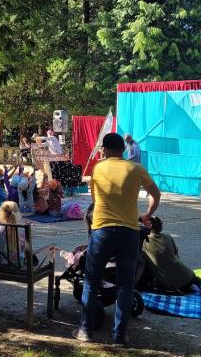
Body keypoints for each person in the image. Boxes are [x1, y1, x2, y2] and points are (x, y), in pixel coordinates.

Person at [75, 132, 161, 345]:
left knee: (91, 282)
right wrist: (147, 214)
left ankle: (85, 331)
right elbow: (156, 194)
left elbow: (95, 200)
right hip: (129, 232)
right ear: (123, 149)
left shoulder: (98, 168)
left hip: (102, 231)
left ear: (104, 150)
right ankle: (119, 336)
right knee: (125, 285)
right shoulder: (136, 168)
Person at [141, 216, 201, 296]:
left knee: (159, 283)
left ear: (147, 226)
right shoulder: (168, 237)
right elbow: (177, 256)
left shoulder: (143, 241)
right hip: (187, 275)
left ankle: (190, 288)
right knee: (194, 278)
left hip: (170, 284)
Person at [0, 201, 29, 266]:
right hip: (18, 263)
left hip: (2, 263)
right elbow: (25, 247)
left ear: (2, 213)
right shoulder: (21, 228)